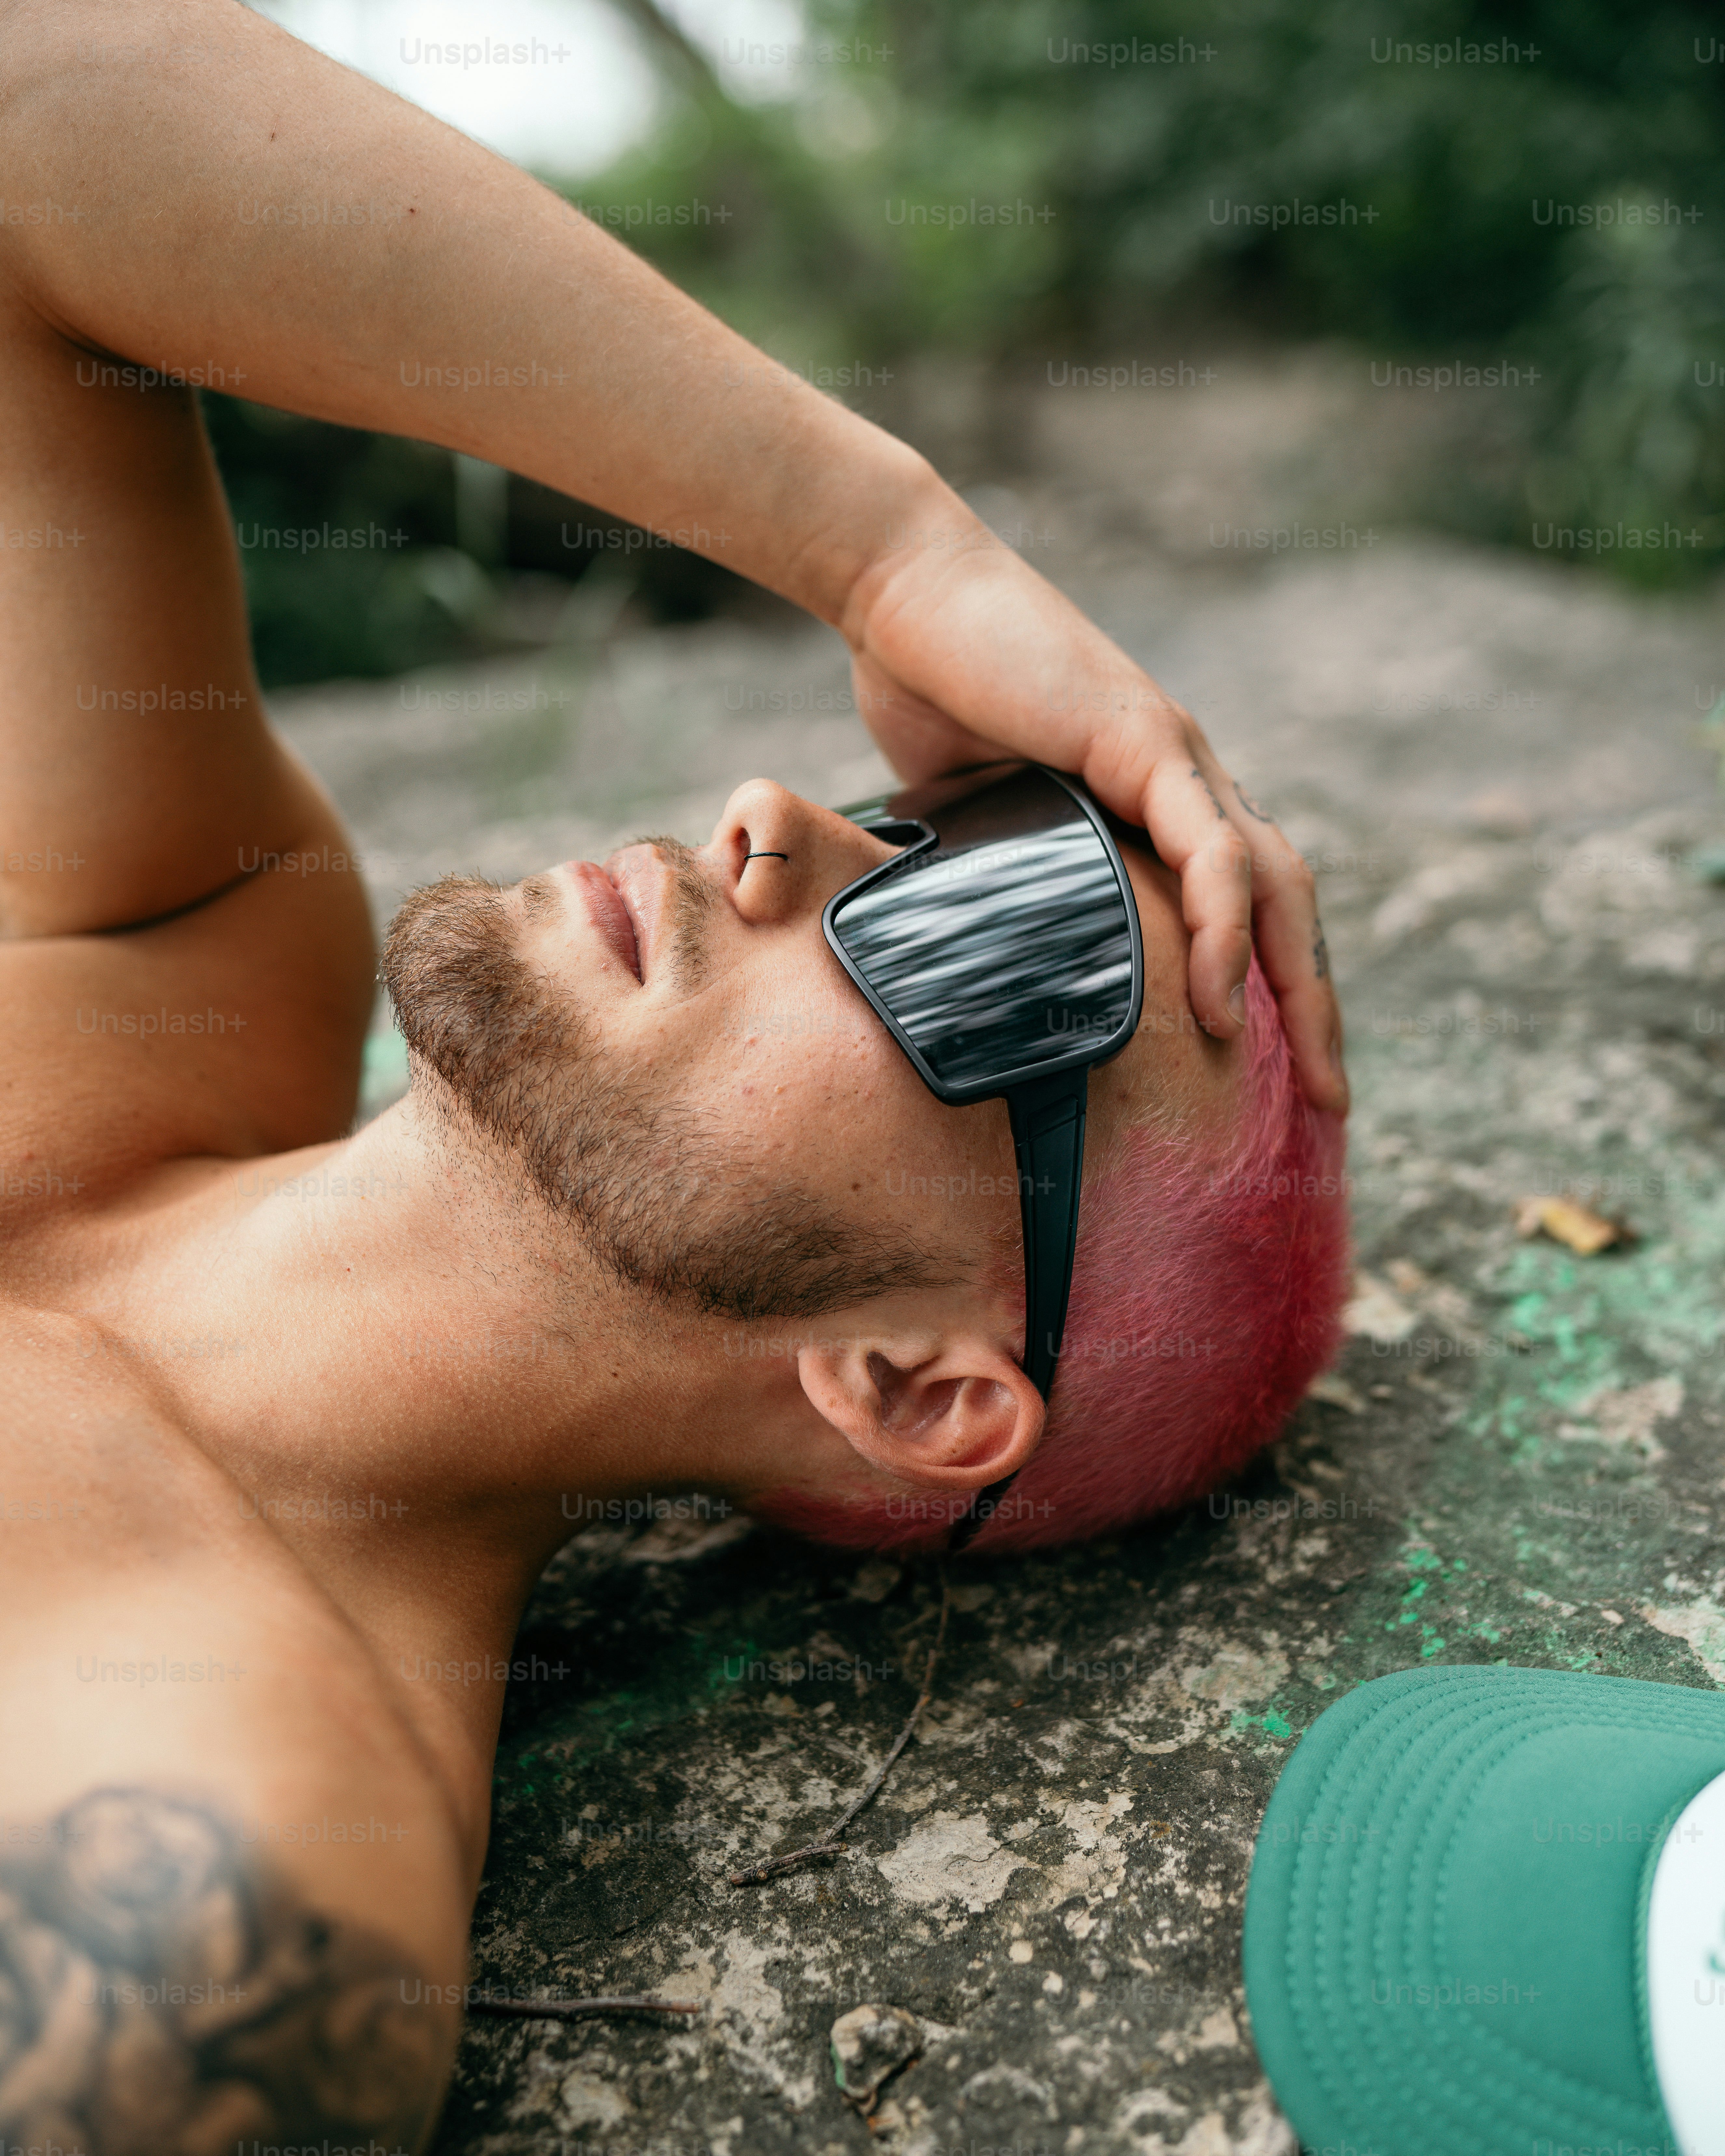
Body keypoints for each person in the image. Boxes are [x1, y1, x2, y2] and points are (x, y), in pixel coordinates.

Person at [0, 4, 1350, 2147]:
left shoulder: (205, 1888)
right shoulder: (165, 942)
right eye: (933, 822)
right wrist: (881, 540)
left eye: (989, 932)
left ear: (916, 1387)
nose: (771, 819)